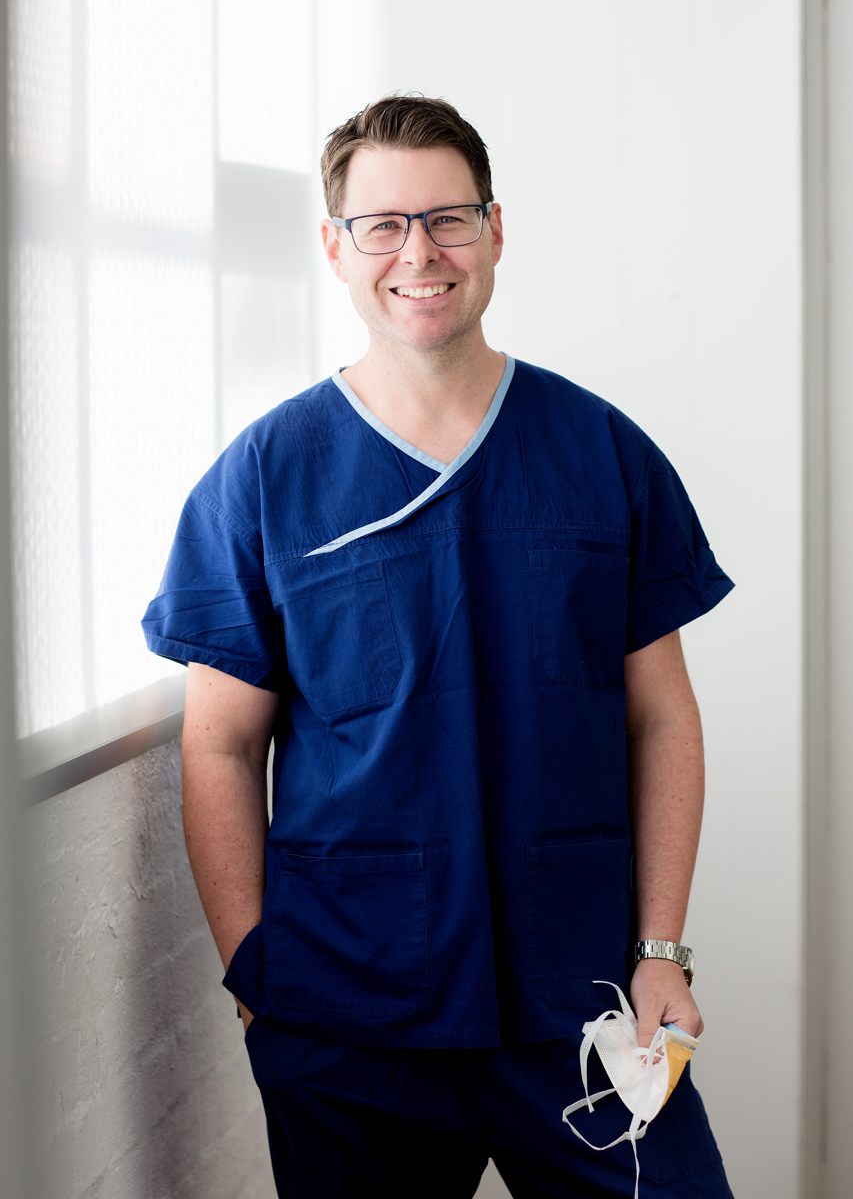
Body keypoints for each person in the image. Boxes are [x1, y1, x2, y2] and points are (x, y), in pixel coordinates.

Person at [143, 94, 735, 1197]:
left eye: (448, 219)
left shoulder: (603, 454)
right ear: (335, 246)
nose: (418, 251)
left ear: (495, 231)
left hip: (584, 1003)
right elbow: (218, 745)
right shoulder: (264, 478)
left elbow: (661, 715)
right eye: (382, 223)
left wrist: (661, 951)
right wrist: (252, 967)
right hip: (350, 1017)